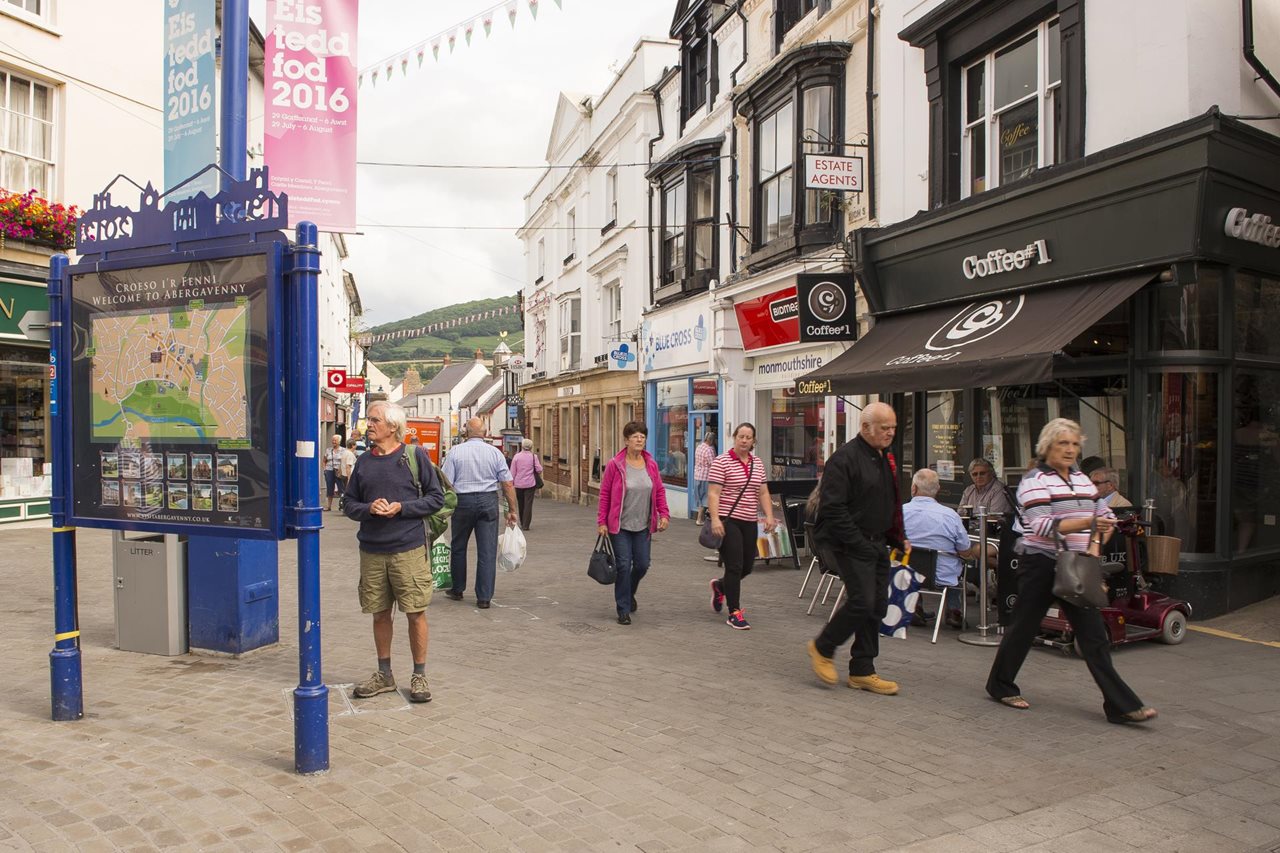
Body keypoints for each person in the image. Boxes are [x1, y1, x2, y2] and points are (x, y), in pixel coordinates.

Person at [986, 418, 1157, 724]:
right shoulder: (1034, 481)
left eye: (1075, 444)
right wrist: (1088, 524)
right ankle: (1000, 685)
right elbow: (1041, 525)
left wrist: (1094, 545)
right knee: (1024, 627)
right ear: (1047, 446)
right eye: (1063, 443)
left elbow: (1105, 515)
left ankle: (1119, 706)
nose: (1070, 450)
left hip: (1076, 564)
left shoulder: (1081, 479)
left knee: (1094, 636)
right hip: (1040, 563)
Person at [341, 401, 446, 703]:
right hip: (372, 550)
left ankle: (420, 675)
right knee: (380, 614)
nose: (368, 425)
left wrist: (403, 508)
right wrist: (368, 509)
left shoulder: (415, 456)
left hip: (408, 549)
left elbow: (436, 498)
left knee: (415, 613)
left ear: (392, 426)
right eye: (368, 420)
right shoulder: (363, 462)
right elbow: (348, 504)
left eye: (374, 420)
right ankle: (384, 674)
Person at [804, 402, 907, 695]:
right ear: (865, 428)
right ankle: (822, 647)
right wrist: (859, 544)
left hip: (877, 542)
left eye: (893, 428)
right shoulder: (844, 459)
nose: (890, 433)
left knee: (876, 606)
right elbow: (833, 509)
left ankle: (863, 670)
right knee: (861, 600)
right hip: (849, 543)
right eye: (884, 428)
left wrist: (898, 536)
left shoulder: (884, 456)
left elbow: (889, 500)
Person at [596, 421, 671, 624]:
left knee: (642, 565)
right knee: (622, 565)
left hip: (643, 525)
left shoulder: (651, 464)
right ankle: (623, 609)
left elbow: (659, 491)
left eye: (642, 437)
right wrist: (602, 521)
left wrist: (664, 514)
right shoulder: (615, 465)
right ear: (626, 440)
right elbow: (605, 494)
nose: (639, 440)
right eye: (635, 436)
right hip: (619, 525)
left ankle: (629, 593)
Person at [442, 417, 519, 608]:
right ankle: (484, 597)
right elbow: (507, 483)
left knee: (459, 546)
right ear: (485, 433)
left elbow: (446, 481)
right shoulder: (495, 453)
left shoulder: (455, 452)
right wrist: (512, 510)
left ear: (466, 432)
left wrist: (447, 504)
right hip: (488, 501)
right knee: (487, 549)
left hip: (463, 501)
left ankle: (458, 588)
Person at [707, 423, 776, 630]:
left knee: (747, 567)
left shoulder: (757, 463)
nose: (744, 440)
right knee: (735, 566)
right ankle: (734, 612)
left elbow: (762, 492)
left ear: (754, 441)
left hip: (749, 521)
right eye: (741, 436)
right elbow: (713, 493)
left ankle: (720, 586)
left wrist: (769, 516)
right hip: (729, 521)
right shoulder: (722, 462)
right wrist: (716, 519)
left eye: (748, 437)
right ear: (734, 437)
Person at [903, 469, 982, 629]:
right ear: (937, 490)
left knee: (912, 562)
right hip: (942, 576)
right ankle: (954, 611)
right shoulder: (950, 516)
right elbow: (965, 549)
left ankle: (915, 607)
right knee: (958, 565)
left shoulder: (900, 512)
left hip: (906, 575)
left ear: (913, 488)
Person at [509, 439, 544, 531]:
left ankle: (522, 521)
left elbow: (512, 472)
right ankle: (526, 525)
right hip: (530, 483)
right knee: (528, 504)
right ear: (531, 447)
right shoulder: (533, 457)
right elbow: (539, 469)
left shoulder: (516, 457)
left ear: (522, 446)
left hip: (518, 484)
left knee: (521, 503)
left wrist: (511, 483)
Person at [693, 431, 715, 525]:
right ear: (711, 440)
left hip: (697, 475)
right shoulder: (709, 450)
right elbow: (713, 463)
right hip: (706, 476)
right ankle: (703, 519)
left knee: (700, 498)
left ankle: (699, 518)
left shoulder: (699, 447)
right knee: (706, 497)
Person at [323, 434, 344, 511]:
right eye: (333, 440)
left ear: (339, 441)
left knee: (341, 488)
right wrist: (325, 469)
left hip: (338, 471)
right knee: (329, 488)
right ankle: (328, 506)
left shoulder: (343, 450)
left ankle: (342, 505)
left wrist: (341, 469)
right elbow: (324, 460)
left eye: (335, 440)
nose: (333, 442)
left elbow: (344, 461)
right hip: (329, 470)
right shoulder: (328, 450)